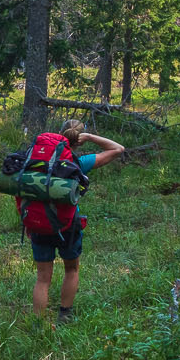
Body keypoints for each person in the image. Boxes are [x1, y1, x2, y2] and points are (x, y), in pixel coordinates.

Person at [23, 120, 124, 322]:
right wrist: (91, 137)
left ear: (60, 134)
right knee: (72, 269)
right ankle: (65, 315)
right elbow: (118, 149)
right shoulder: (78, 163)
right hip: (68, 224)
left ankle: (38, 323)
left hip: (38, 222)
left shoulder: (37, 160)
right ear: (79, 140)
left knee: (43, 278)